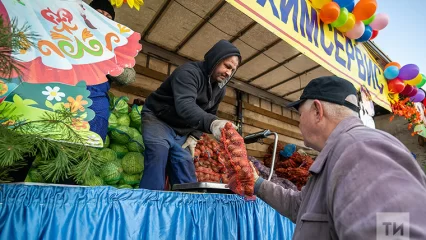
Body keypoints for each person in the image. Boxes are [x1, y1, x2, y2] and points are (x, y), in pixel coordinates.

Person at [241, 76, 426, 239]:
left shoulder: (361, 150)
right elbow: (300, 206)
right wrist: (256, 183)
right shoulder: (340, 154)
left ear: (317, 111)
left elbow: (396, 234)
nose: (298, 122)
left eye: (299, 114)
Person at [139, 40, 241, 190]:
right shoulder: (188, 73)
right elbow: (185, 106)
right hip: (158, 119)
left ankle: (186, 210)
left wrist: (195, 136)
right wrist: (213, 123)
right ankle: (148, 207)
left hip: (182, 131)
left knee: (185, 173)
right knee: (157, 157)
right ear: (215, 59)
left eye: (232, 70)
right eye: (227, 66)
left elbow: (210, 112)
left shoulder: (220, 89)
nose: (228, 73)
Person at [86, 0, 135, 141]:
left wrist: (110, 64)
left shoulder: (116, 45)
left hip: (95, 98)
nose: (102, 17)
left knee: (89, 145)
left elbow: (129, 77)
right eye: (99, 12)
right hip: (63, 91)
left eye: (108, 17)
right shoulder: (69, 32)